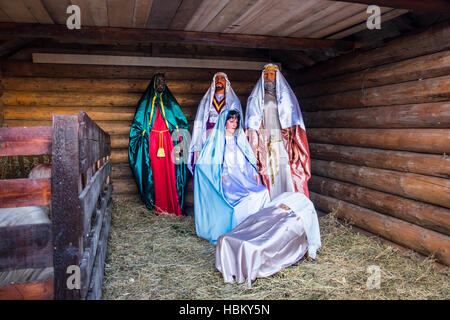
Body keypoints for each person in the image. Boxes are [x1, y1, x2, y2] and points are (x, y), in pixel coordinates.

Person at [194, 109, 269, 244]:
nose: (234, 124)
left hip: (242, 178)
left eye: (236, 121)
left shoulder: (239, 140)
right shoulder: (215, 142)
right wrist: (216, 174)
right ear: (224, 122)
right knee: (243, 198)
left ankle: (255, 229)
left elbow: (247, 159)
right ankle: (236, 230)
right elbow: (202, 165)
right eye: (231, 121)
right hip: (226, 181)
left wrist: (253, 172)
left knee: (261, 192)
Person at [215, 192, 321, 287]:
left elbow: (305, 225)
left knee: (267, 237)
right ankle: (237, 244)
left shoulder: (296, 216)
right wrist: (278, 207)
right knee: (249, 226)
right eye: (284, 204)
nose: (285, 206)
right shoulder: (275, 206)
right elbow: (258, 216)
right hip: (267, 217)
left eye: (287, 205)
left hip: (281, 224)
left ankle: (251, 259)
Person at [245, 64, 311, 199]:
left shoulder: (286, 98)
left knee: (286, 173)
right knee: (269, 173)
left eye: (271, 74)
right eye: (265, 75)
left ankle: (287, 204)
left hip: (282, 143)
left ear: (277, 77)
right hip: (265, 144)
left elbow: (293, 124)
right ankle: (271, 205)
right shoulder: (256, 99)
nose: (268, 78)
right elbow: (253, 124)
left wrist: (295, 146)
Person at [129, 73, 189, 216]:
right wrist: (143, 134)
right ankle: (157, 207)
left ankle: (171, 206)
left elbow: (180, 122)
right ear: (154, 83)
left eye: (163, 82)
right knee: (155, 173)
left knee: (170, 173)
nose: (161, 84)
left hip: (168, 142)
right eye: (159, 81)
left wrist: (179, 135)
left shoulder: (170, 102)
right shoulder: (146, 102)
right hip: (153, 142)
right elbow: (138, 124)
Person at [189, 72, 243, 173]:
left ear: (227, 83)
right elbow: (199, 121)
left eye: (222, 78)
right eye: (216, 78)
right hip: (209, 137)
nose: (219, 80)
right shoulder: (206, 101)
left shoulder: (233, 101)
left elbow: (237, 122)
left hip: (225, 136)